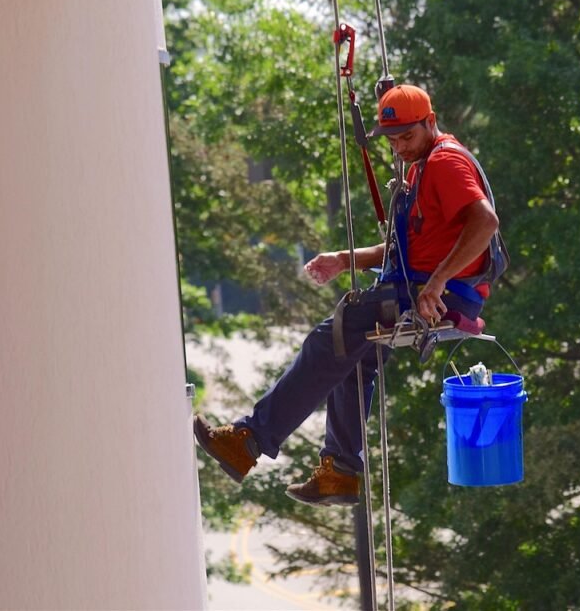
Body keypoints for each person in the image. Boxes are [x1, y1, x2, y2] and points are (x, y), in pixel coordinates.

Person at [193, 84, 500, 506]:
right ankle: (338, 472)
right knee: (352, 357)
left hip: (438, 294)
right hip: (422, 287)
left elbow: (485, 222)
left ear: (431, 122)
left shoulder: (444, 161)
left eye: (407, 137)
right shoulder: (421, 167)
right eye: (392, 140)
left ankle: (249, 440)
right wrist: (344, 258)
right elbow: (405, 250)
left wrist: (438, 282)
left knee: (332, 337)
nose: (399, 147)